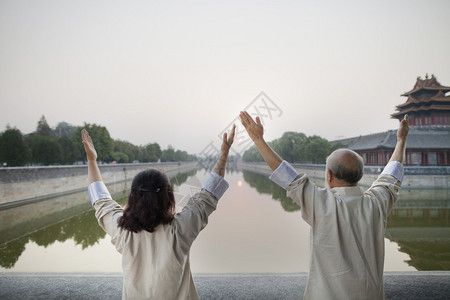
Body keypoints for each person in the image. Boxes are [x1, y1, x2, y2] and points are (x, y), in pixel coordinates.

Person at [239, 111, 409, 300]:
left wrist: (258, 140)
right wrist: (401, 140)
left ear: (328, 176)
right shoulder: (377, 203)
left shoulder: (320, 203)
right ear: (360, 176)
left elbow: (287, 176)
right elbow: (392, 174)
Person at [81, 125, 235, 300]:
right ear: (168, 197)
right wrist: (223, 155)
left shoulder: (122, 231)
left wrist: (92, 161)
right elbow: (209, 194)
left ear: (133, 197)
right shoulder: (181, 229)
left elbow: (100, 200)